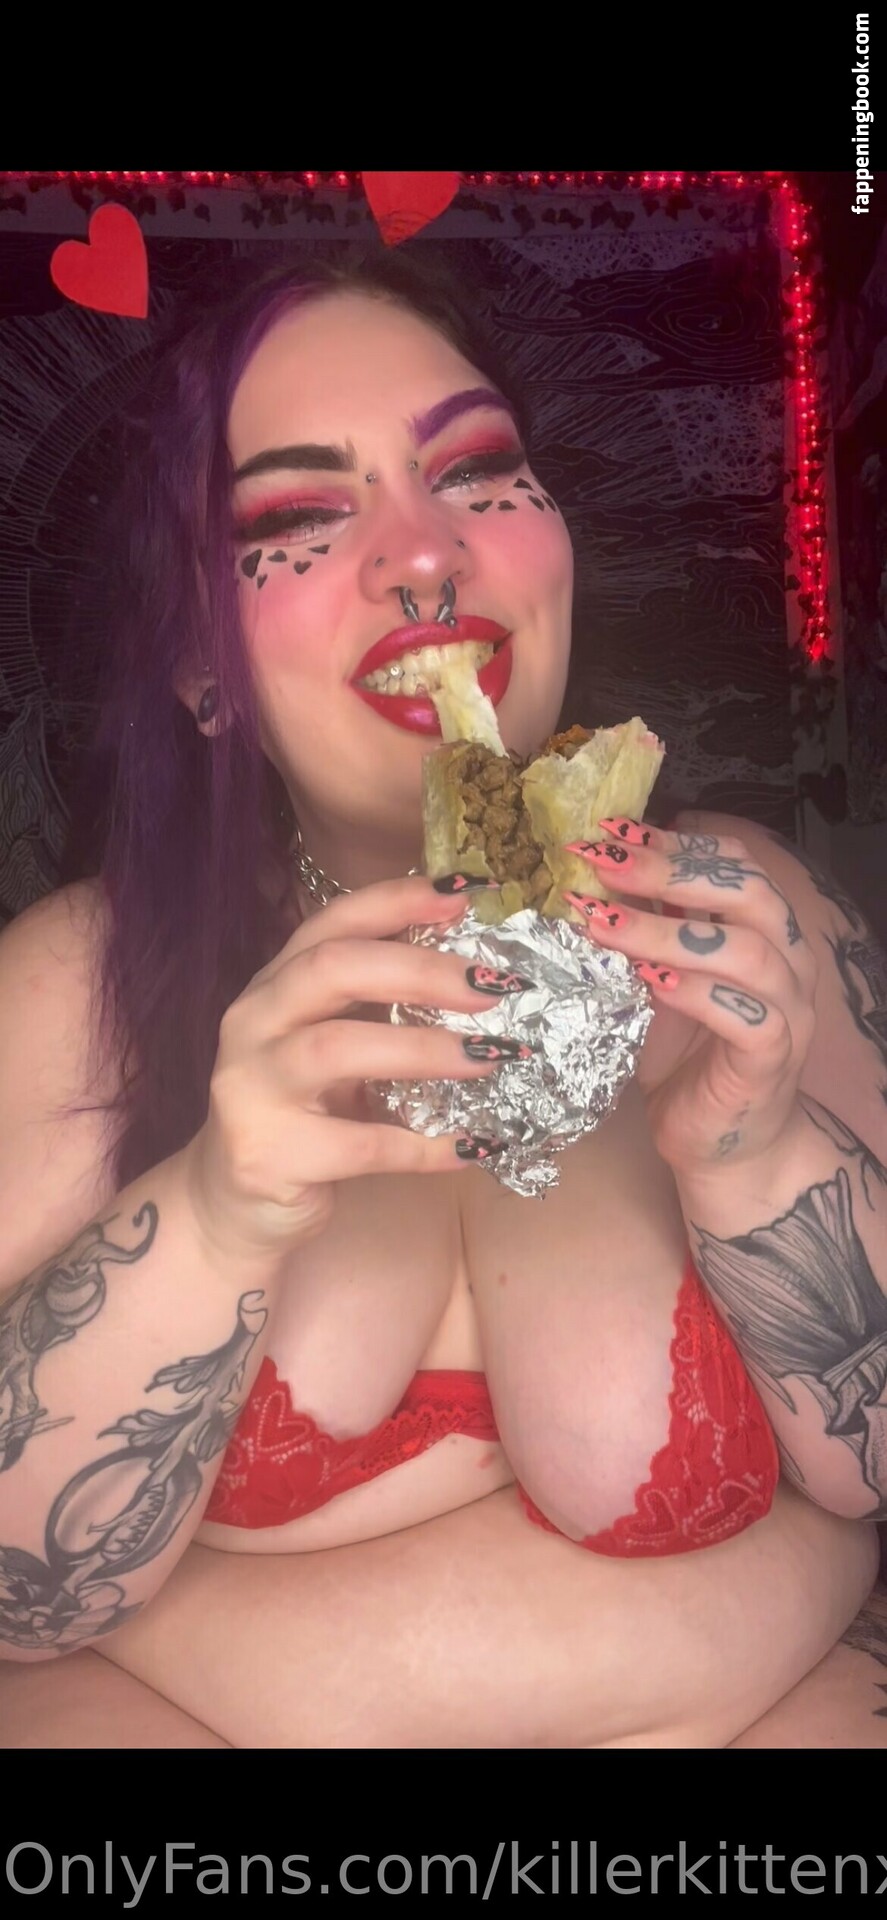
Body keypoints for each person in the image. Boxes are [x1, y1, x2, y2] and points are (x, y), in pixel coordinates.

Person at [0, 252, 884, 1750]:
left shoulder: (751, 918)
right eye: (294, 518)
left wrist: (756, 1152)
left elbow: (873, 1482)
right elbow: (22, 1604)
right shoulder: (83, 983)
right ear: (203, 673)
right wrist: (217, 1213)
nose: (423, 554)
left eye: (475, 473)